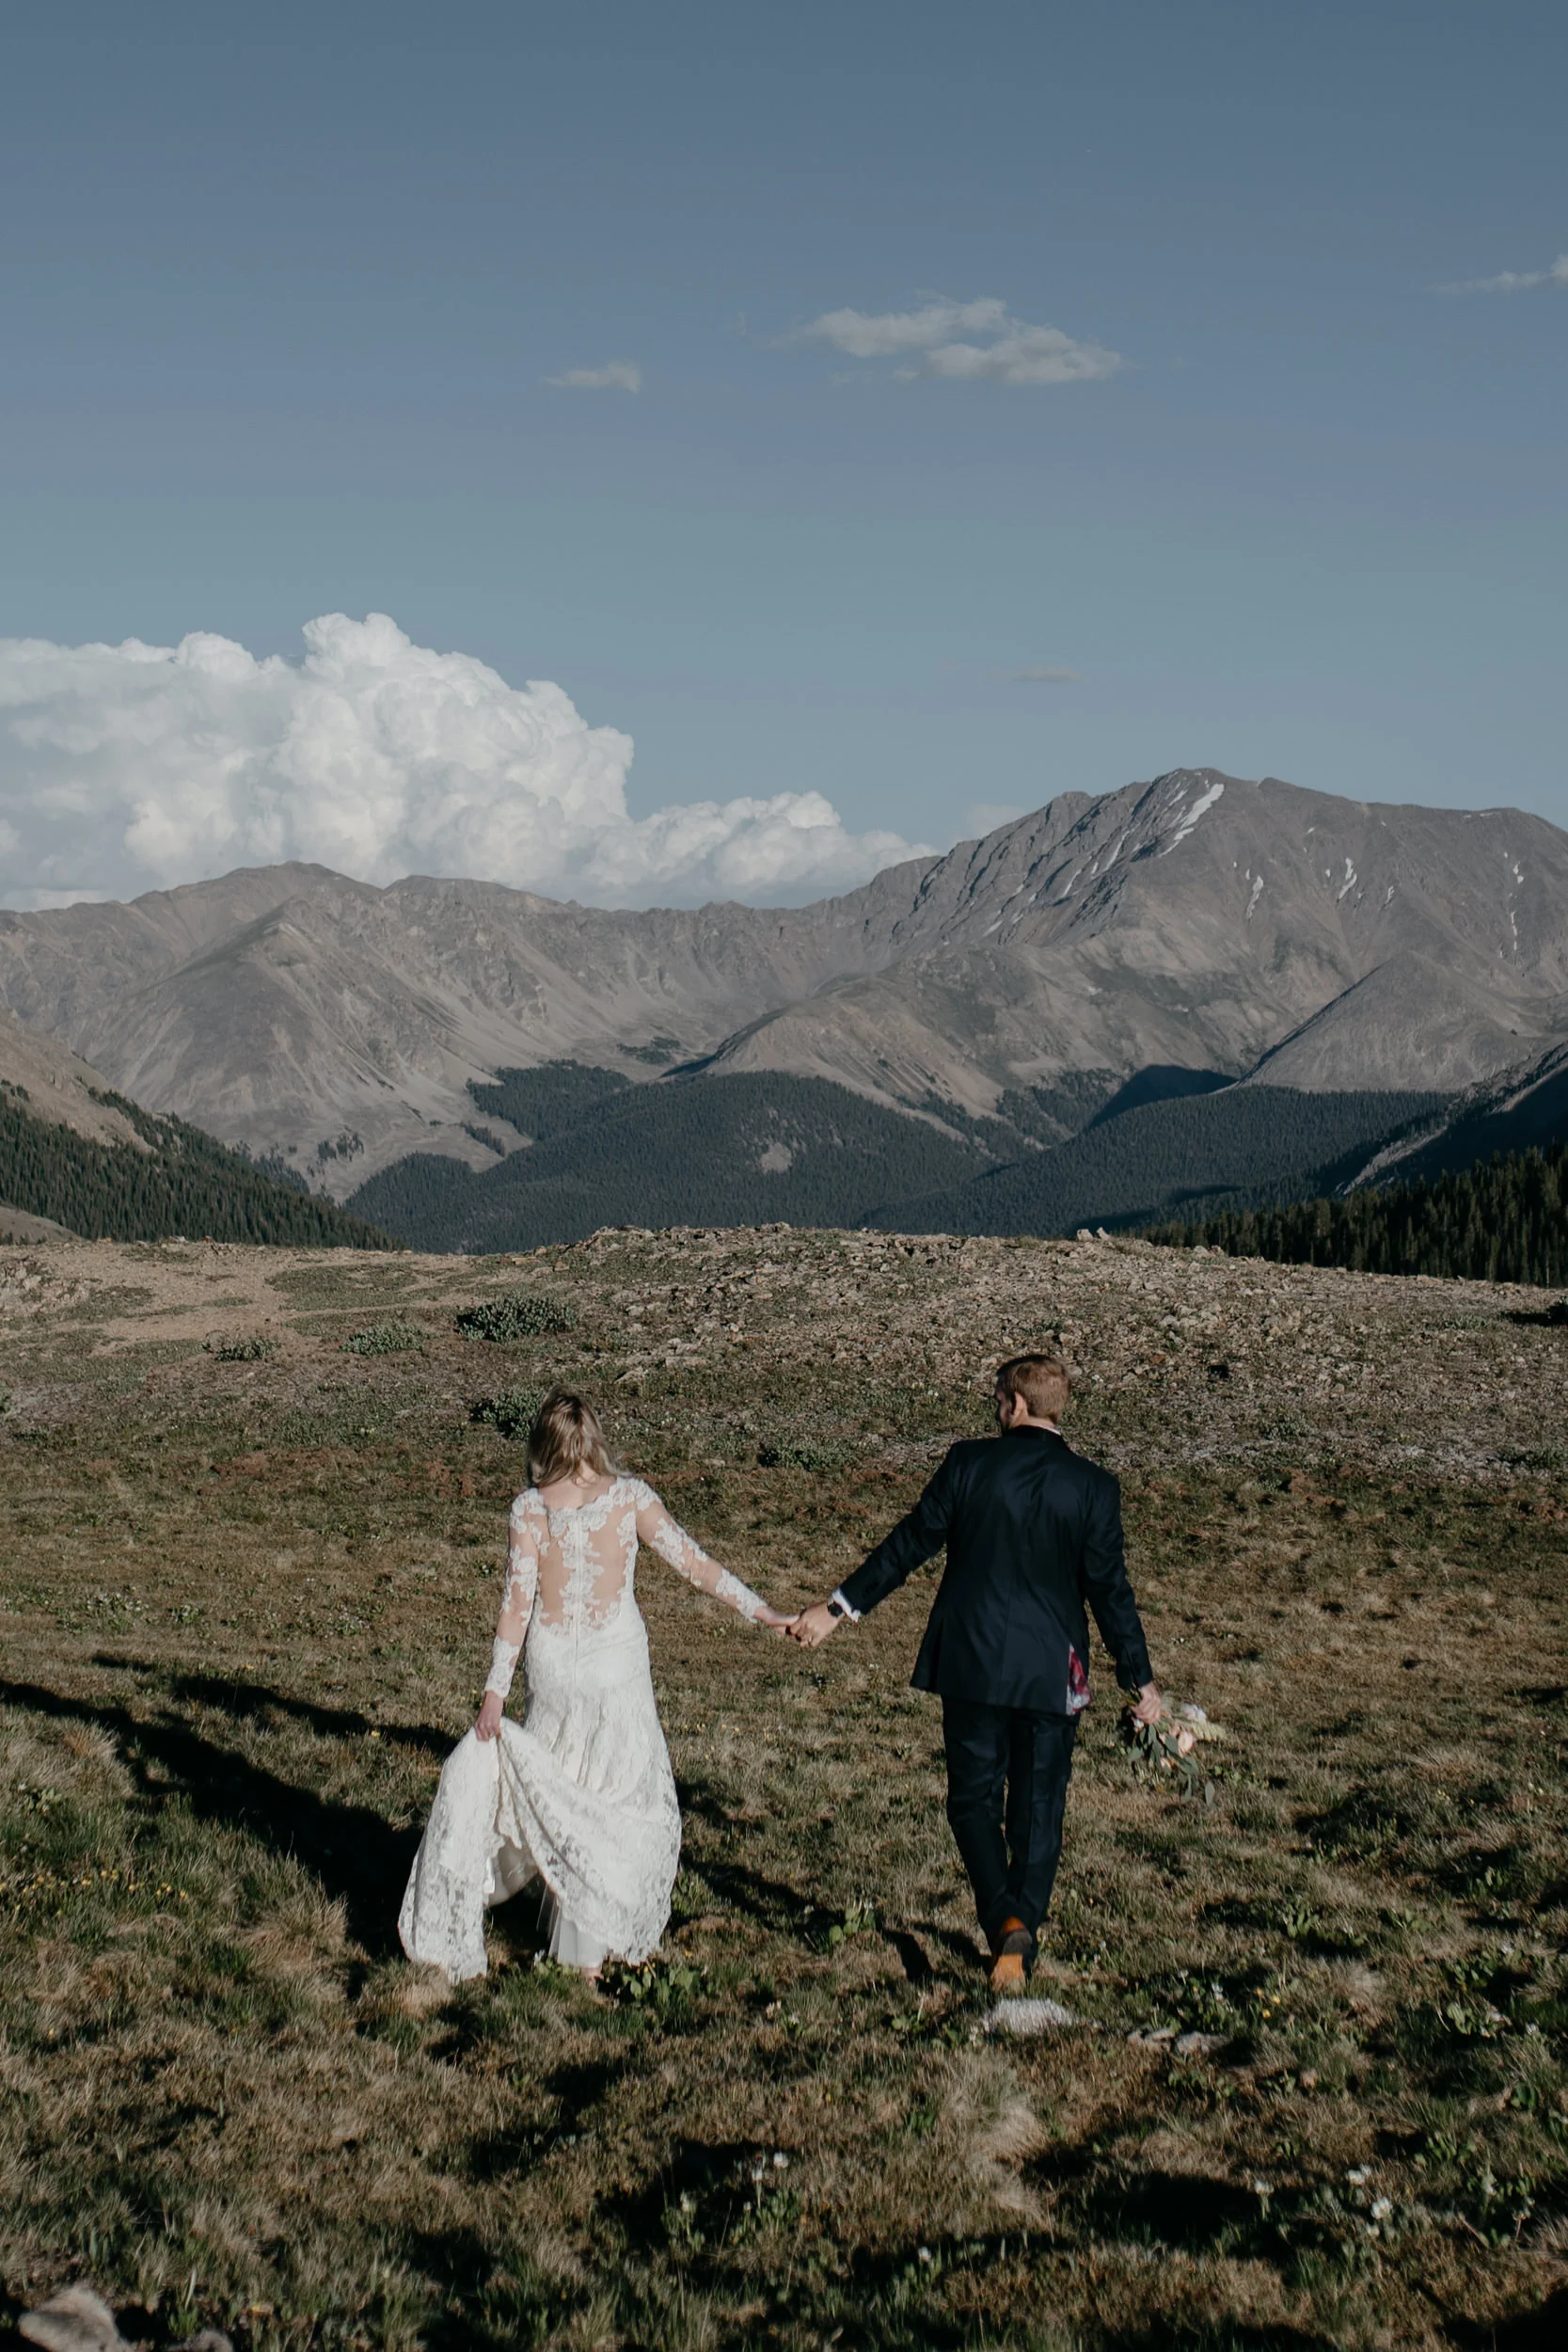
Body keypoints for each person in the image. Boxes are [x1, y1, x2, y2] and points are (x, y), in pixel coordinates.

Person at [789, 1353, 1161, 1992]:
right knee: (1040, 1808)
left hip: (971, 1661)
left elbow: (909, 1544)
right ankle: (1020, 1931)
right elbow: (1109, 1590)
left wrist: (838, 1607)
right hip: (1053, 1671)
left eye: (997, 1400)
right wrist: (1140, 1679)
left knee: (972, 1801)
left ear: (1016, 1404)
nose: (995, 1410)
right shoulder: (1093, 1486)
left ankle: (1003, 1919)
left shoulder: (967, 1464)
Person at [399, 1388, 790, 1981]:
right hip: (616, 1670)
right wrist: (762, 1611)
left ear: (543, 1444)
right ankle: (591, 1946)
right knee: (617, 1799)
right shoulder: (630, 1497)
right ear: (594, 1439)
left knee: (564, 1792)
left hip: (555, 1668)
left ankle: (558, 1933)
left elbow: (516, 1606)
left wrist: (495, 1692)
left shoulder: (529, 1509)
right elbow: (695, 1564)